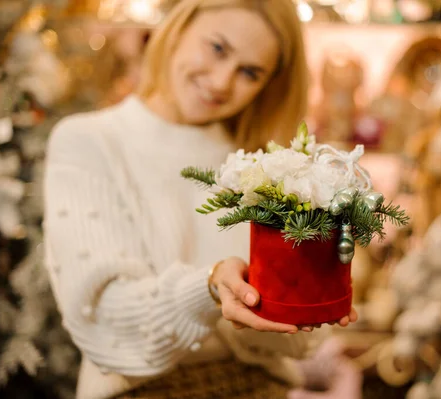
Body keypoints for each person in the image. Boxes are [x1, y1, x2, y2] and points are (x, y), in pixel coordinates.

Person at [42, 1, 357, 398]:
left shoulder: (268, 167)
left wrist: (315, 293)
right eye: (218, 48)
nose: (223, 82)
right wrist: (209, 289)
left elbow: (296, 342)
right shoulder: (89, 143)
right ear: (180, 26)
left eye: (249, 72)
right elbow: (106, 321)